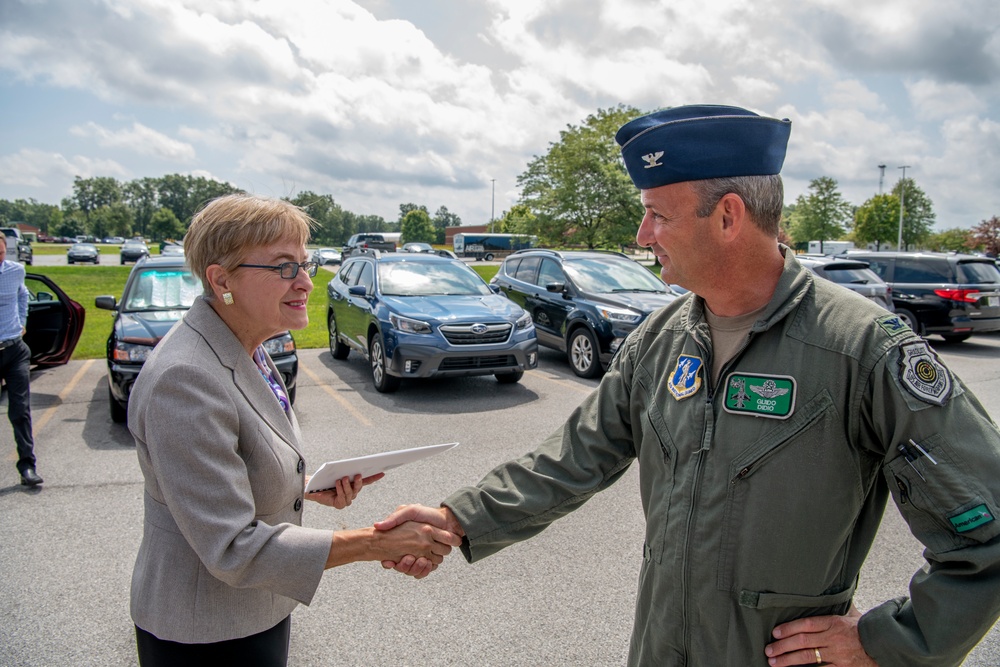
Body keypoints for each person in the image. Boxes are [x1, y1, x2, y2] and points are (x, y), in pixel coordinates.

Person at [377, 105, 1000, 666]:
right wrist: (456, 518)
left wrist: (889, 642)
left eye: (657, 215)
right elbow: (576, 456)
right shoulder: (662, 336)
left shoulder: (861, 347)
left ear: (728, 216)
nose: (643, 236)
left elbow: (988, 530)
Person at [128, 194, 460, 666]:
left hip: (255, 611)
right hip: (205, 634)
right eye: (284, 267)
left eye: (307, 263)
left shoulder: (246, 345)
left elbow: (226, 473)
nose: (305, 282)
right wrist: (378, 542)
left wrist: (305, 488)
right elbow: (231, 545)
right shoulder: (184, 380)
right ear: (221, 280)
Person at [0, 238, 41, 487]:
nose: (0, 258)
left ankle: (27, 466)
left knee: (20, 411)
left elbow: (22, 295)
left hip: (14, 349)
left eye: (2, 253)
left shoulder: (16, 271)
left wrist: (23, 321)